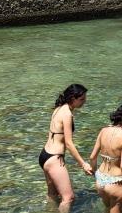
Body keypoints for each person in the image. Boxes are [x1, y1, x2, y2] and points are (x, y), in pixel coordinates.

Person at [40, 84, 93, 213]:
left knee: (53, 194)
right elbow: (69, 143)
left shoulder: (59, 108)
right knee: (68, 198)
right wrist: (83, 164)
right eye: (82, 99)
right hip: (54, 159)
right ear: (73, 98)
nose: (84, 102)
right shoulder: (67, 114)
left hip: (45, 155)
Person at [89, 103, 122, 213]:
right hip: (115, 182)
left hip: (100, 180)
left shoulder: (103, 131)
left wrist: (95, 174)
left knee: (107, 209)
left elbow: (92, 157)